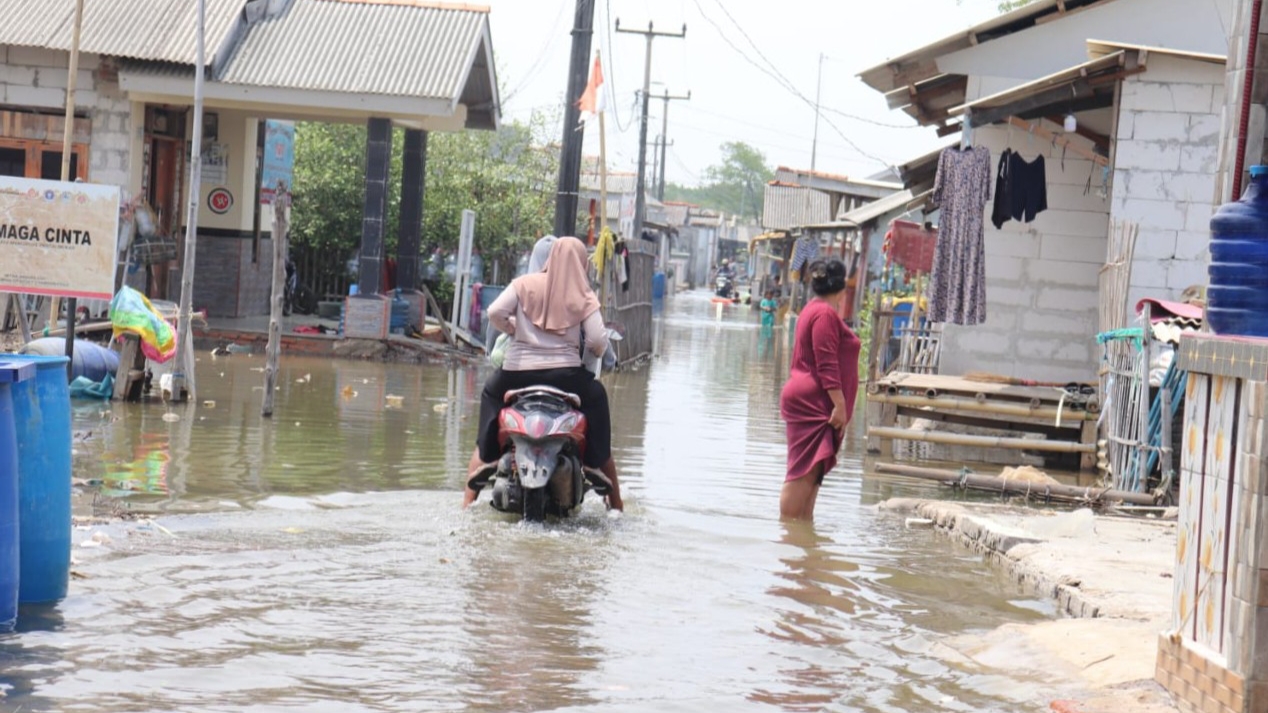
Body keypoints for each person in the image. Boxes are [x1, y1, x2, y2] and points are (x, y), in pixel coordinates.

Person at [464, 237, 624, 511]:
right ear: (582, 263)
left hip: (516, 373)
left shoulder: (523, 284)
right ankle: (594, 466)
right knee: (597, 397)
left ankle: (482, 473)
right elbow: (598, 341)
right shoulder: (583, 294)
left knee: (491, 393)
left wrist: (515, 329)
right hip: (566, 376)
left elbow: (494, 313)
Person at [778, 258, 860, 521]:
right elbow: (826, 363)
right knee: (802, 471)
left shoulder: (814, 310)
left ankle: (802, 544)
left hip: (814, 399)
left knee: (812, 475)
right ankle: (788, 538)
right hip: (814, 403)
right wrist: (839, 404)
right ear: (842, 287)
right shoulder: (823, 314)